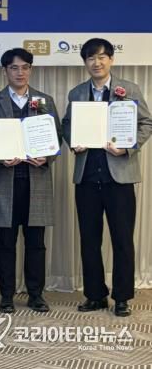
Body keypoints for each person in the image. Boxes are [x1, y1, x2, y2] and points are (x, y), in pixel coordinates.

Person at [62, 38, 152, 317]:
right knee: (89, 240)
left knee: (122, 239)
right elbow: (67, 124)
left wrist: (128, 147)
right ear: (85, 62)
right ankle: (95, 295)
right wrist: (73, 141)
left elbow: (146, 122)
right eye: (90, 58)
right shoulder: (77, 93)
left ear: (111, 59)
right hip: (87, 177)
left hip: (119, 177)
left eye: (101, 57)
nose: (96, 62)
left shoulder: (129, 89)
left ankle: (122, 297)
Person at [0, 48, 60, 314]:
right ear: (5, 71)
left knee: (36, 242)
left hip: (37, 180)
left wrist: (47, 157)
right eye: (14, 68)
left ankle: (36, 294)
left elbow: (56, 136)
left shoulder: (44, 101)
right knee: (6, 242)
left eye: (25, 67)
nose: (20, 72)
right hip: (5, 181)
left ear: (31, 70)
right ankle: (6, 296)